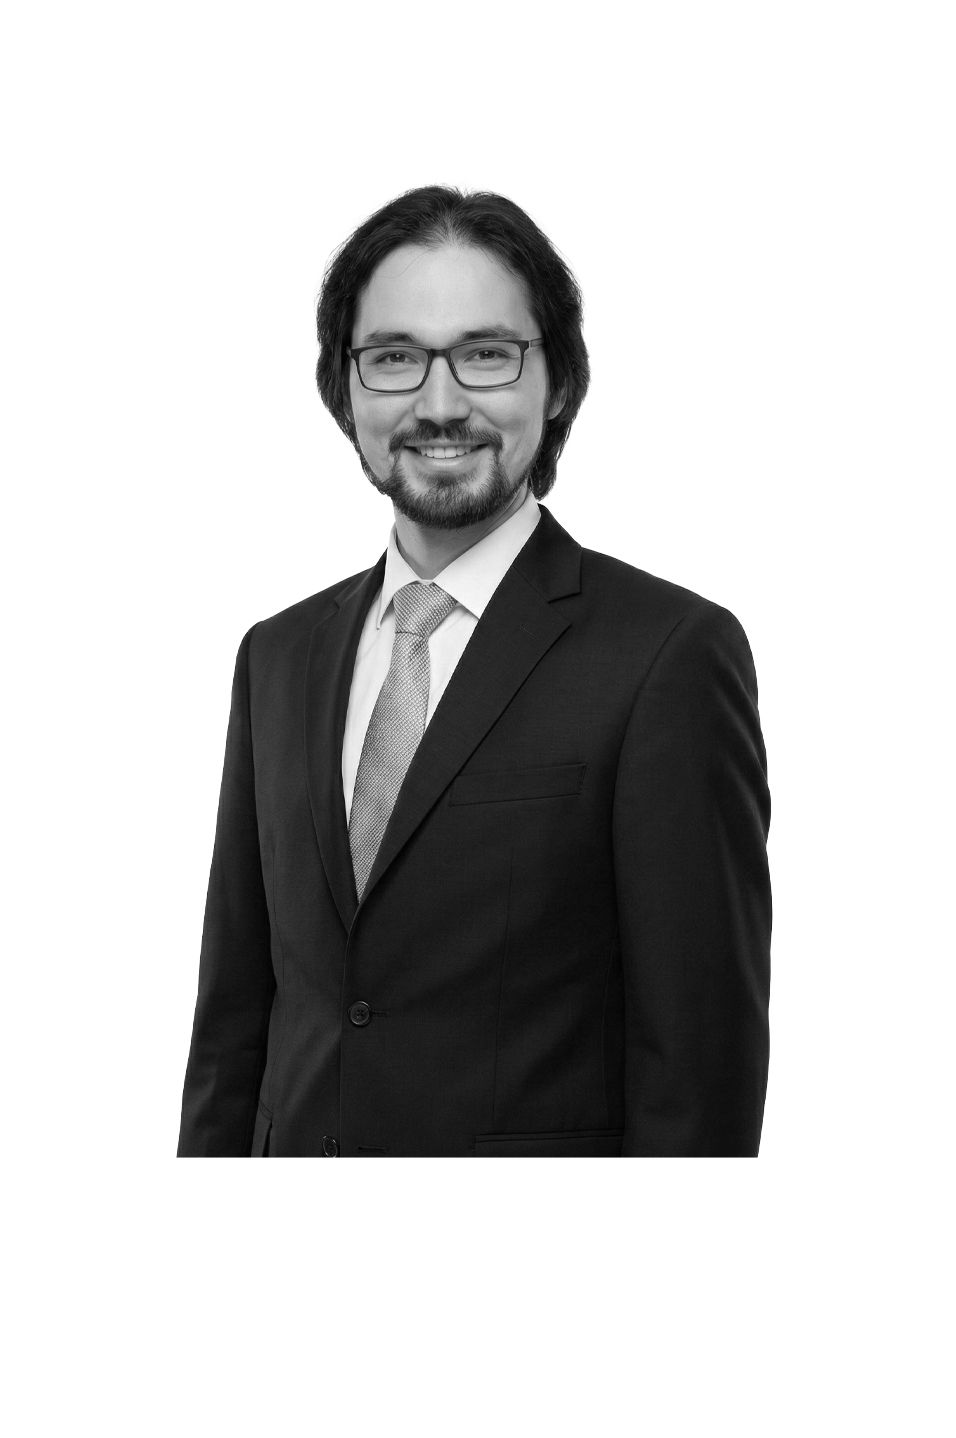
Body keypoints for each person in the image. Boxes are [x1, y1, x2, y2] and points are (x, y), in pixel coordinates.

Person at [177, 186, 772, 1158]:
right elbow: (232, 1026)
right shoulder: (276, 657)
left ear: (559, 382)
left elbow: (697, 1075)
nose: (440, 403)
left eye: (486, 355)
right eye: (394, 358)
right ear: (344, 389)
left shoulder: (666, 657)